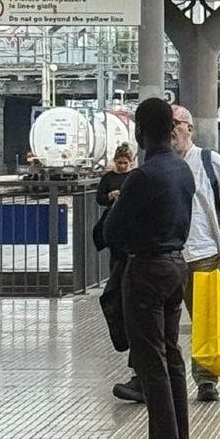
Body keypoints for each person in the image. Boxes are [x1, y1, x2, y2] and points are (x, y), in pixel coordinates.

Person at [112, 105, 220, 403]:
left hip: (204, 254)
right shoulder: (158, 168)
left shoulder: (210, 162)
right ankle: (144, 380)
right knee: (156, 327)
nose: (172, 130)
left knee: (205, 320)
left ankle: (206, 380)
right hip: (167, 257)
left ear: (190, 129)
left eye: (178, 123)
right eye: (168, 124)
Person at [103, 98, 195, 439]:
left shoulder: (144, 176)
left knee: (151, 363)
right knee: (172, 359)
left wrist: (121, 205)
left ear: (140, 131)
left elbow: (111, 233)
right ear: (171, 129)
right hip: (176, 268)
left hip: (145, 272)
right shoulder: (182, 171)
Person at [96, 144, 134, 354]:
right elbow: (99, 197)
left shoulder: (135, 177)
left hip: (126, 228)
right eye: (118, 163)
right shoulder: (108, 178)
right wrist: (110, 196)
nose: (121, 166)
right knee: (116, 259)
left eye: (124, 163)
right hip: (113, 224)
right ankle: (116, 282)